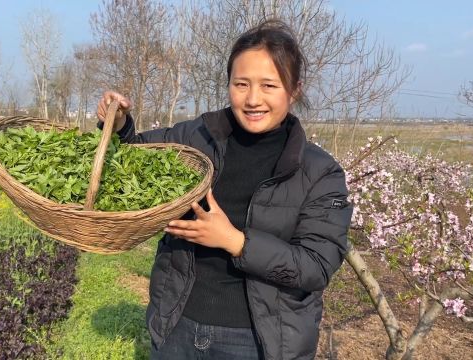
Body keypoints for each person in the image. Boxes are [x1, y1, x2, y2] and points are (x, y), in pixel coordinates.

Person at [96, 19, 352, 360]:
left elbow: (316, 265)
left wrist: (235, 241)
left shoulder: (319, 171)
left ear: (295, 90)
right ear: (228, 83)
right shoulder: (197, 137)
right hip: (178, 325)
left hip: (257, 341)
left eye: (269, 86)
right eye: (241, 83)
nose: (252, 99)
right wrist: (119, 125)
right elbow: (138, 158)